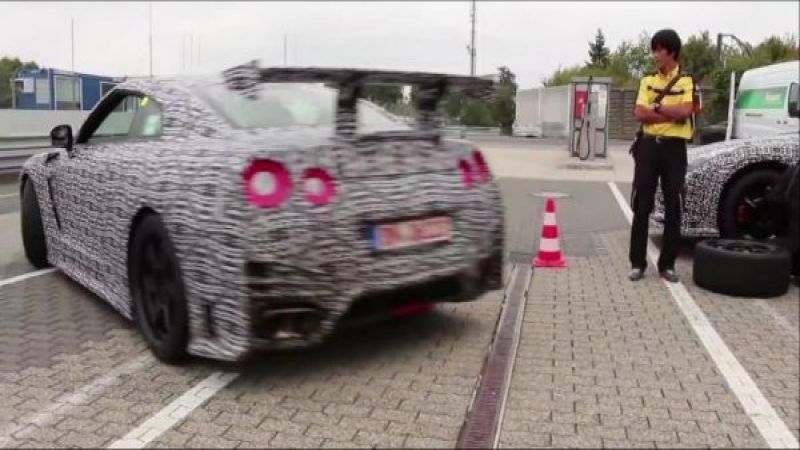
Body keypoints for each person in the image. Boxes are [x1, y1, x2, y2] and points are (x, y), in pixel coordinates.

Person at [629, 29, 698, 283]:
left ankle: (667, 265)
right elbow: (639, 112)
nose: (655, 54)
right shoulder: (646, 81)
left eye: (660, 50)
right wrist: (667, 112)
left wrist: (656, 107)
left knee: (674, 206)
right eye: (654, 49)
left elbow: (685, 110)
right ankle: (637, 263)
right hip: (648, 148)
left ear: (672, 52)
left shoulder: (686, 81)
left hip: (674, 149)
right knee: (642, 205)